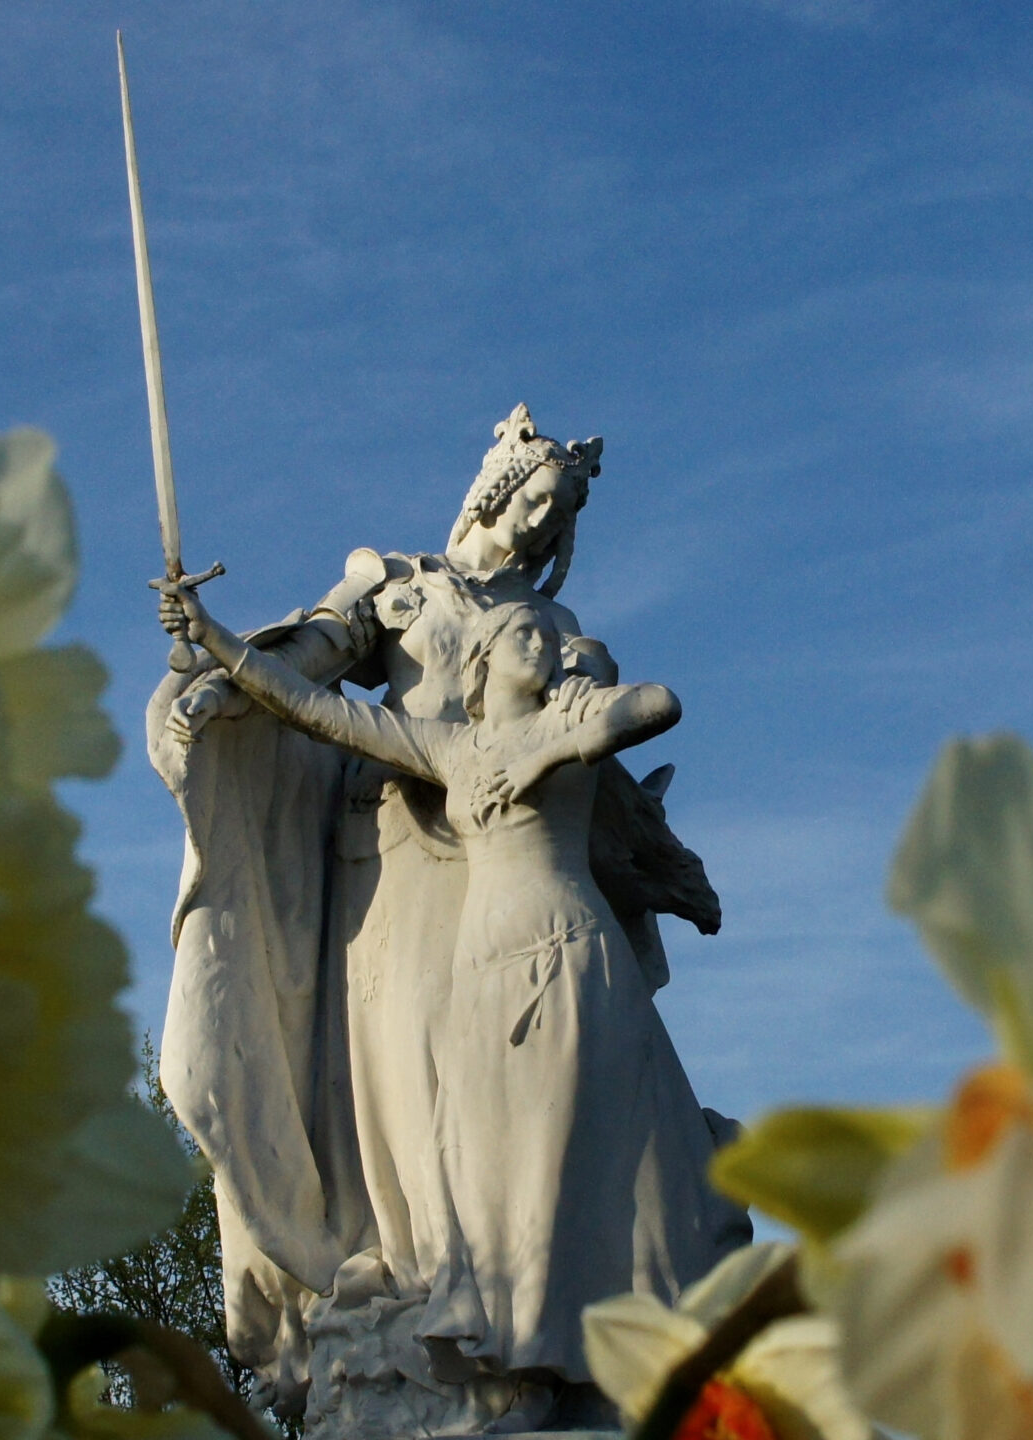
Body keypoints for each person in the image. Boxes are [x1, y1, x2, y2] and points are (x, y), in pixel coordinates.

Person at [144, 407, 739, 1434]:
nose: (543, 522)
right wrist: (218, 663)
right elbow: (314, 682)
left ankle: (520, 1306)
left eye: (561, 512)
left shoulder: (552, 627)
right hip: (391, 858)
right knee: (405, 1077)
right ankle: (426, 1287)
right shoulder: (400, 585)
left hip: (513, 866)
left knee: (511, 1097)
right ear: (495, 492)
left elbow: (609, 732)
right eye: (537, 498)